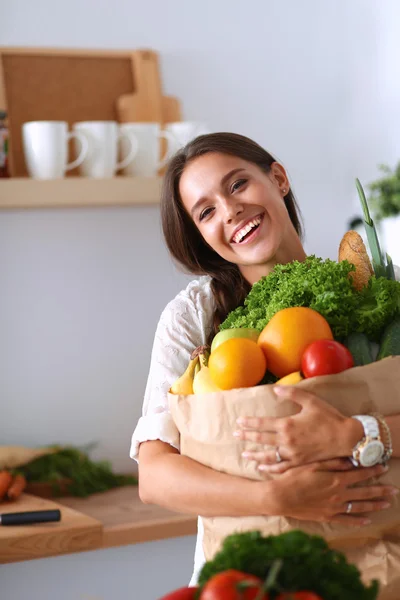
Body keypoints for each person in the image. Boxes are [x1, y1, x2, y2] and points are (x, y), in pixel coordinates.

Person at [130, 132, 400, 585]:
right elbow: (154, 476)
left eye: (237, 185)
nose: (230, 210)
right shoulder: (193, 317)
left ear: (277, 177)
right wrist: (275, 497)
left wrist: (354, 433)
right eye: (207, 211)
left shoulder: (367, 289)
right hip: (249, 576)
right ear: (200, 235)